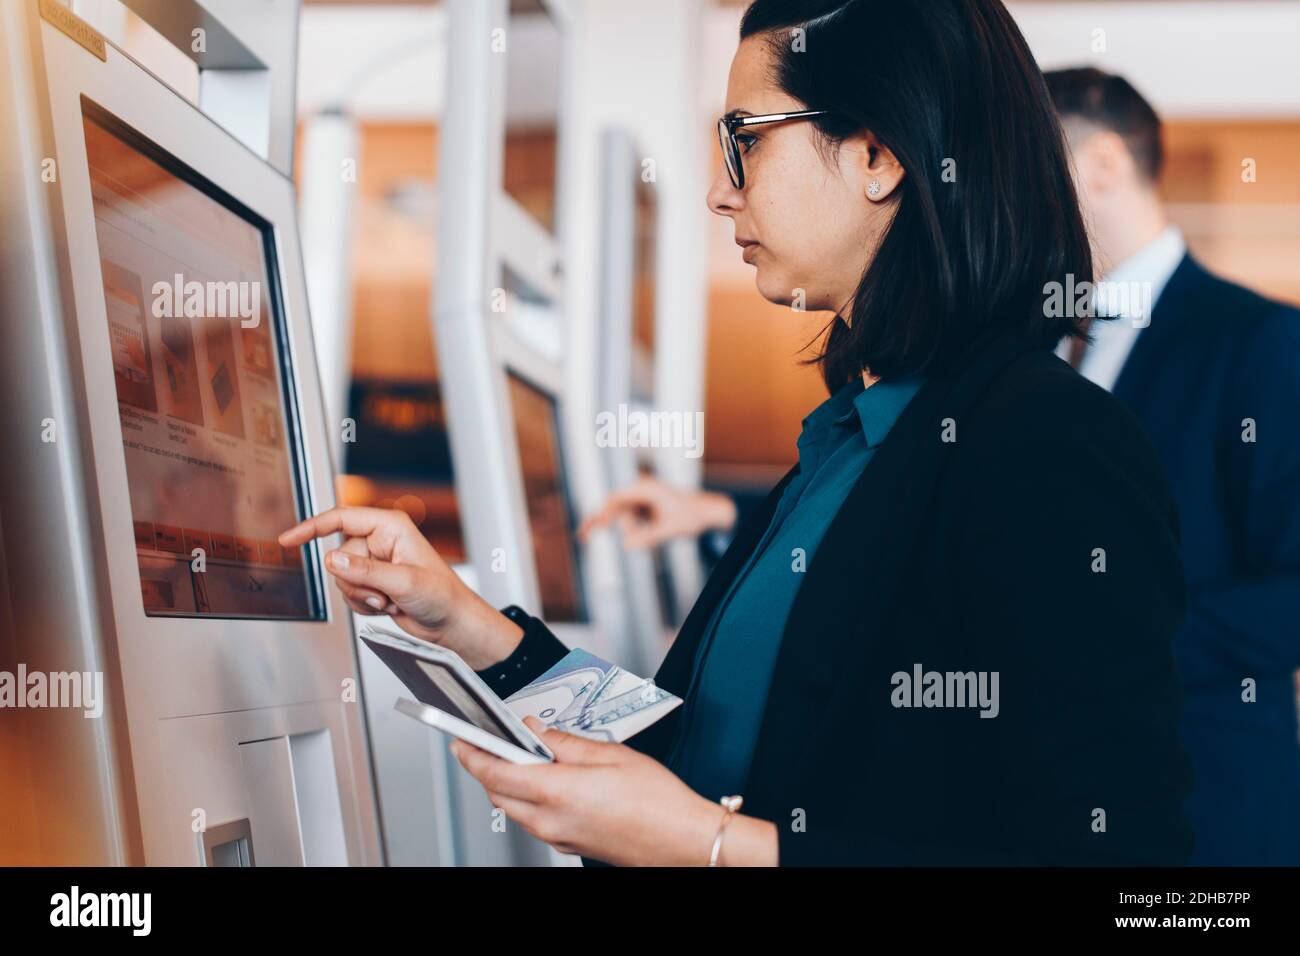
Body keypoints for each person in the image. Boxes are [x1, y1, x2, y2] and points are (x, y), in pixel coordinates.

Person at [281, 0, 1193, 866]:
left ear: (877, 153)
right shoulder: (849, 437)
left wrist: (708, 849)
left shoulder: (1046, 445)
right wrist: (470, 628)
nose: (721, 193)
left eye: (744, 142)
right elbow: (699, 753)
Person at [1044, 67, 1300, 865]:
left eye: (1026, 157)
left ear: (1104, 165)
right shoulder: (1035, 338)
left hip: (1205, 808)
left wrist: (1106, 643)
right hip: (1049, 800)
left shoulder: (1260, 340)